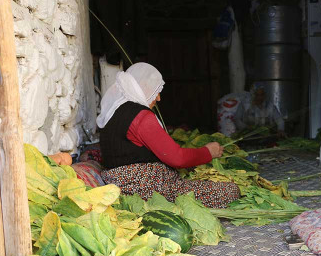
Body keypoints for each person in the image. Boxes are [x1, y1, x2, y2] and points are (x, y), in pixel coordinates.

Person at [97, 62, 240, 208]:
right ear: (144, 87)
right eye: (156, 90)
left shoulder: (113, 113)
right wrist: (208, 152)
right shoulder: (140, 116)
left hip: (124, 186)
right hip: (148, 191)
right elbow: (177, 158)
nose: (158, 98)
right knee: (229, 191)